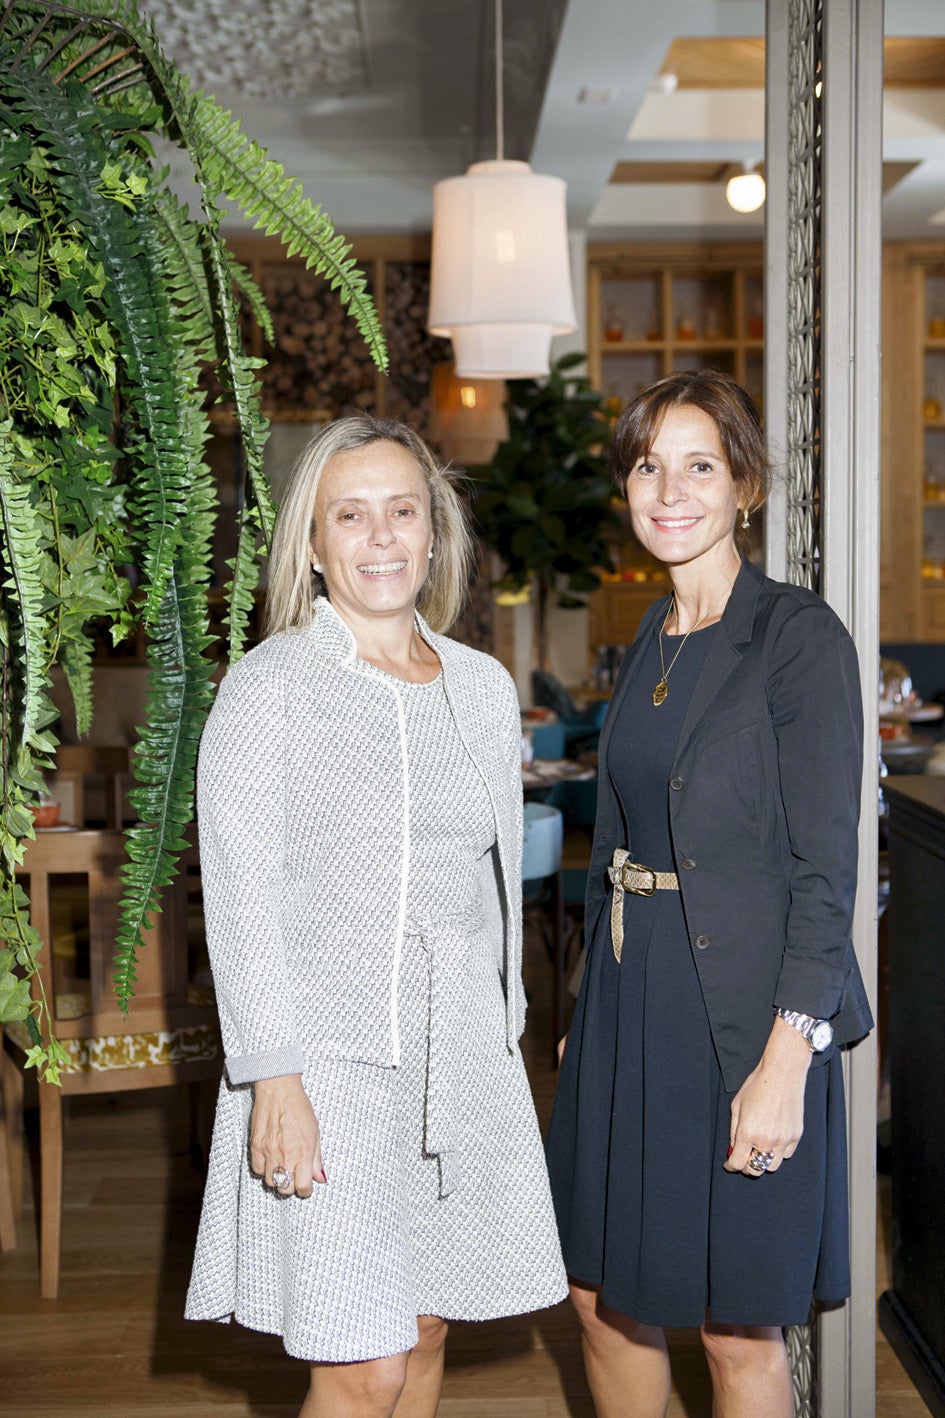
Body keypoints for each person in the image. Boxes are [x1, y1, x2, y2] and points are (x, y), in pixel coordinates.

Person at [186, 415, 566, 1418]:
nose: (382, 536)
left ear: (434, 531)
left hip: (459, 1061)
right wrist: (274, 1073)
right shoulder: (268, 690)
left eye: (403, 510)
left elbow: (488, 885)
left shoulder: (483, 689)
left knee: (429, 1323)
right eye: (350, 515)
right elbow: (239, 894)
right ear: (312, 544)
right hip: (330, 1063)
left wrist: (505, 1030)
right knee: (363, 1363)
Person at [544, 370, 873, 1417]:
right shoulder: (654, 635)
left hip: (744, 1019)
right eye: (648, 465)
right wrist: (590, 1004)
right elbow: (626, 840)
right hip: (633, 1012)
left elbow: (827, 872)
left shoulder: (796, 635)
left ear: (744, 487)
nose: (668, 488)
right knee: (602, 1301)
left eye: (698, 464)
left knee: (738, 1331)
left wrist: (788, 1055)